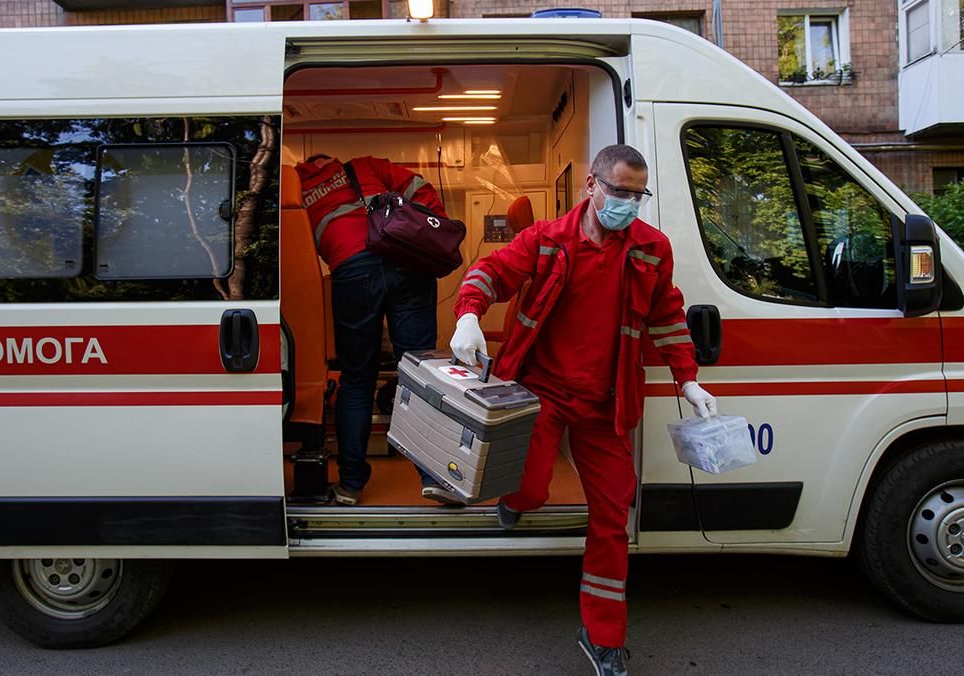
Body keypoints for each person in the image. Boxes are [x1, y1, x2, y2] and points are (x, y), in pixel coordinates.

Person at [450, 144, 717, 676]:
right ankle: (517, 502)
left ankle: (603, 637)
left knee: (614, 517)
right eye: (619, 191)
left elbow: (667, 314)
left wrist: (687, 379)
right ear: (591, 186)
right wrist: (468, 316)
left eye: (637, 195)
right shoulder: (547, 240)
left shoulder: (651, 249)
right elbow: (490, 272)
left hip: (607, 403)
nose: (628, 204)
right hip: (542, 392)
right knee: (530, 489)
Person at [295, 154, 463, 506]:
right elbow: (420, 187)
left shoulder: (296, 188)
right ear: (331, 161)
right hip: (407, 258)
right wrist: (430, 230)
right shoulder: (364, 166)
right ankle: (435, 478)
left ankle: (350, 485)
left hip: (351, 270)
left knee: (357, 380)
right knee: (420, 375)